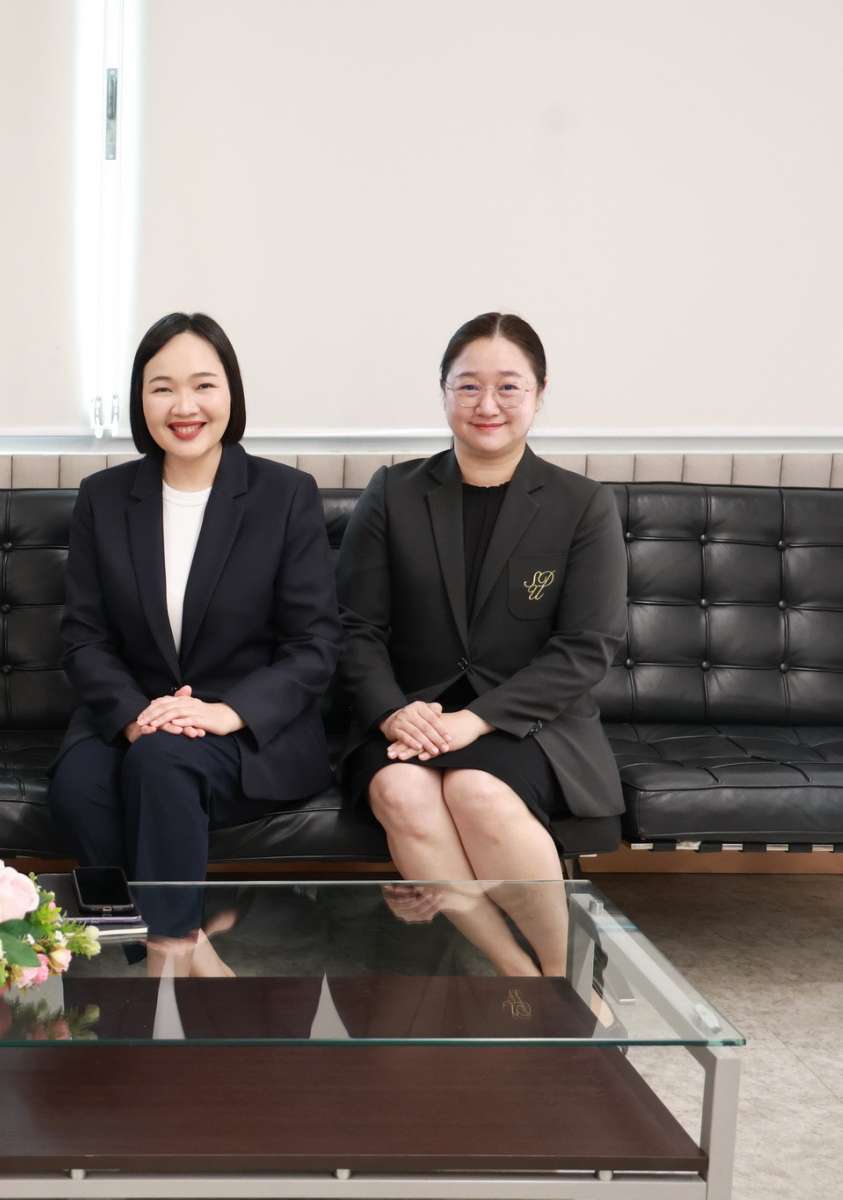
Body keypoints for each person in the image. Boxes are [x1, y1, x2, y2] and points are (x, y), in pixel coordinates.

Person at [334, 312, 626, 978]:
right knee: (401, 791)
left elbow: (587, 646)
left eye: (508, 387)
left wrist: (476, 720)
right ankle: (517, 973)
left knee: (478, 791)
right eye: (467, 386)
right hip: (409, 713)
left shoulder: (582, 505)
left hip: (530, 723)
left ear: (540, 394)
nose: (487, 404)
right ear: (444, 392)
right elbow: (354, 627)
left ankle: (569, 978)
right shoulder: (394, 493)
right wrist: (390, 712)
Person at [48, 313, 342, 967]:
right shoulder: (104, 497)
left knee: (162, 763)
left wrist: (225, 712)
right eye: (162, 388)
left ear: (231, 392)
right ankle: (159, 943)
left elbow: (314, 644)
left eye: (203, 385)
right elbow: (84, 638)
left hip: (249, 729)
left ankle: (166, 959)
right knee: (80, 788)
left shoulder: (284, 495)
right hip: (136, 712)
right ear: (140, 400)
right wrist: (135, 717)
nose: (184, 407)